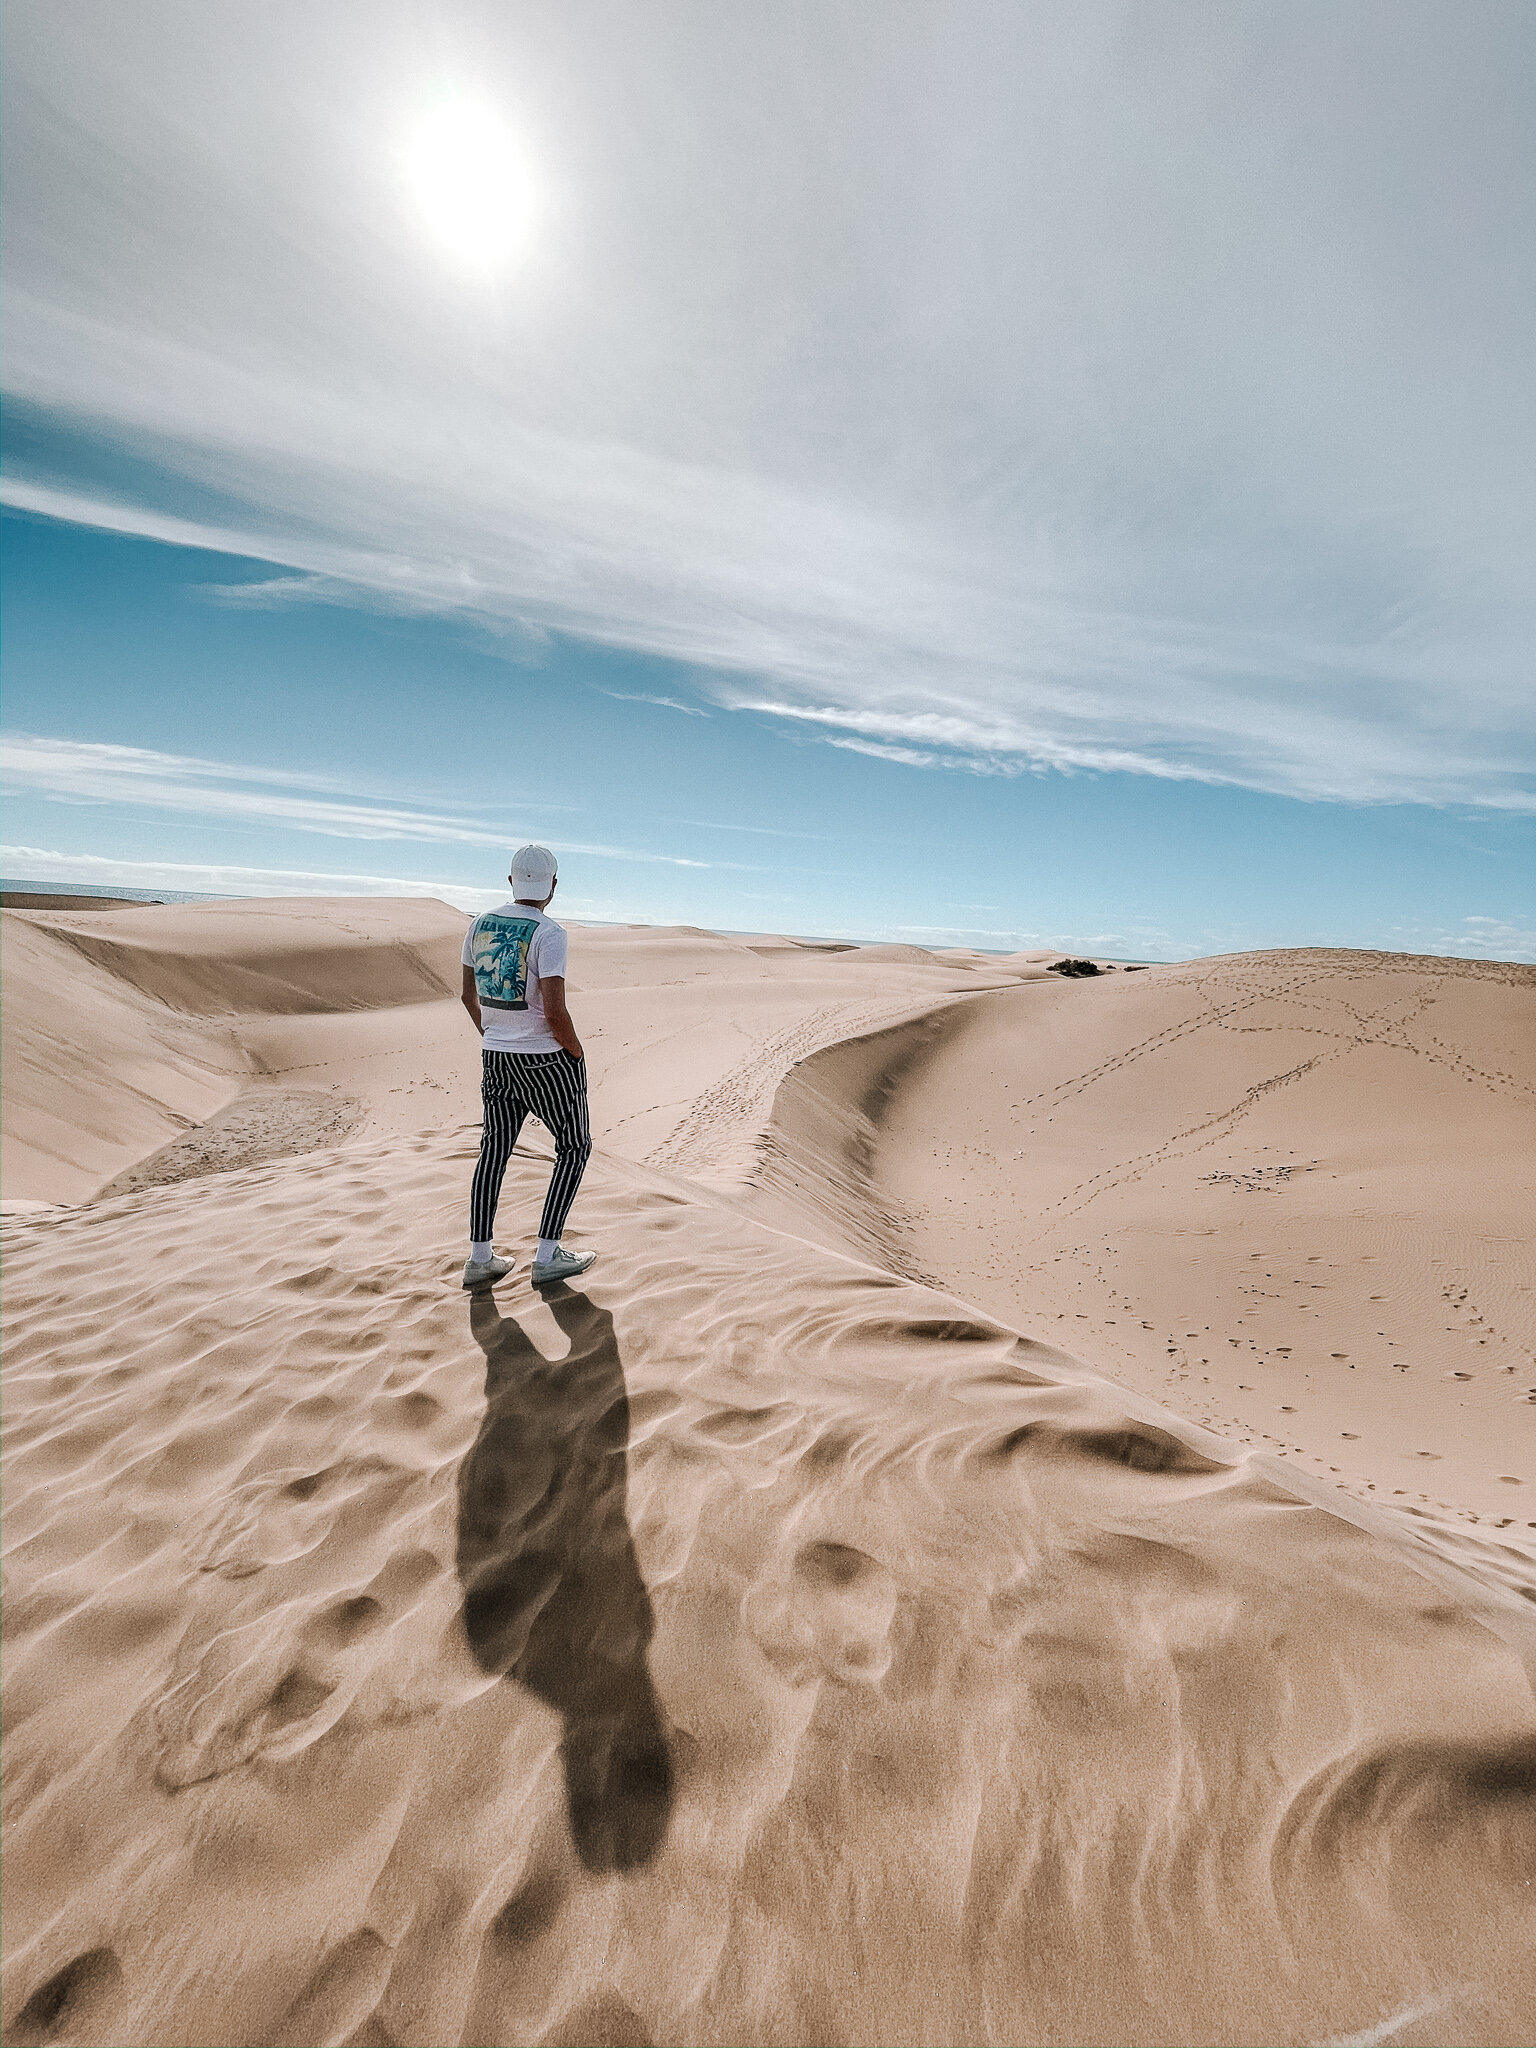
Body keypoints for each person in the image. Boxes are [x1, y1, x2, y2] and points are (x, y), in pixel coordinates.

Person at [461, 845, 596, 1290]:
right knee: (574, 1147)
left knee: (493, 1151)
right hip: (545, 1061)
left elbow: (468, 996)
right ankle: (547, 1253)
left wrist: (496, 1036)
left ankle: (480, 1258)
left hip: (496, 1057)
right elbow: (555, 1011)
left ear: (510, 880)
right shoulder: (550, 933)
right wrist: (575, 1053)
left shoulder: (478, 924)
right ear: (553, 886)